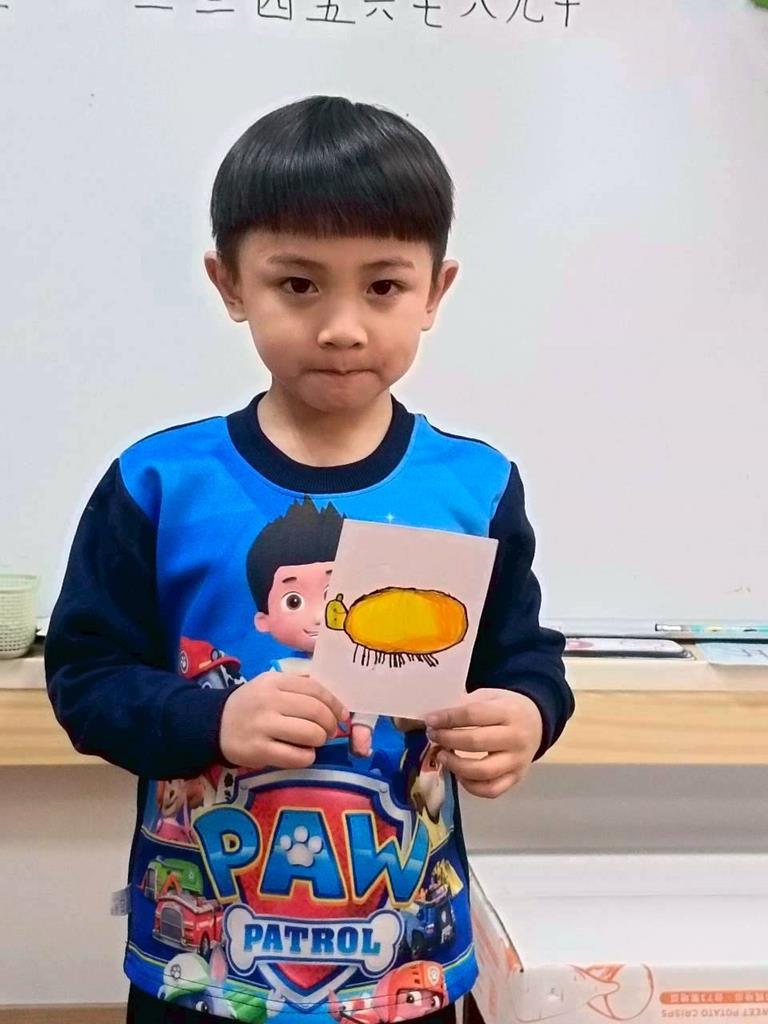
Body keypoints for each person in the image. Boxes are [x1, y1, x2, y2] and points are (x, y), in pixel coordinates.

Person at [45, 95, 575, 1024]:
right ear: (229, 284)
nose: (342, 327)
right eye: (297, 284)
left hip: (405, 964)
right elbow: (86, 677)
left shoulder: (476, 485)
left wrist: (526, 715)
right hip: (202, 967)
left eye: (384, 287)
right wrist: (211, 719)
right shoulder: (159, 482)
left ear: (436, 291)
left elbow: (524, 657)